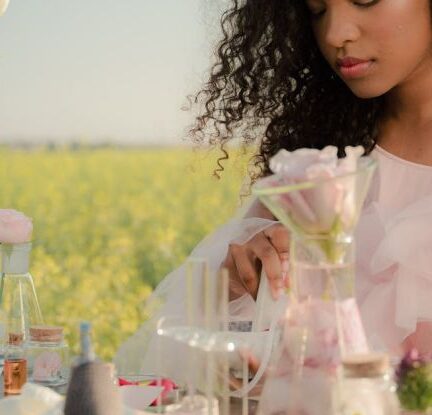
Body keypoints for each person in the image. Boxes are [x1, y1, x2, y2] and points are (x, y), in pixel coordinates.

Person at [115, 0, 432, 374]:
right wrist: (241, 285)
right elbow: (229, 363)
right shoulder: (319, 157)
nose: (334, 34)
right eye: (316, 10)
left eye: (364, 0)